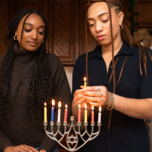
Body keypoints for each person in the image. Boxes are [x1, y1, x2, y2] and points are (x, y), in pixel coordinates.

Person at [72, 0, 152, 152]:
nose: (97, 28)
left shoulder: (144, 57)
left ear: (120, 17)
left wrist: (110, 99)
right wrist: (83, 105)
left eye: (104, 20)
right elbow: (78, 116)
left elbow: (150, 108)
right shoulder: (83, 62)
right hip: (91, 147)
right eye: (91, 24)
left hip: (132, 147)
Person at [0, 9, 71, 152]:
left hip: (44, 148)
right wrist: (7, 147)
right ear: (15, 31)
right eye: (28, 29)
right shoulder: (1, 64)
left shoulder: (52, 63)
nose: (34, 36)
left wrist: (45, 148)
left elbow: (64, 110)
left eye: (40, 32)